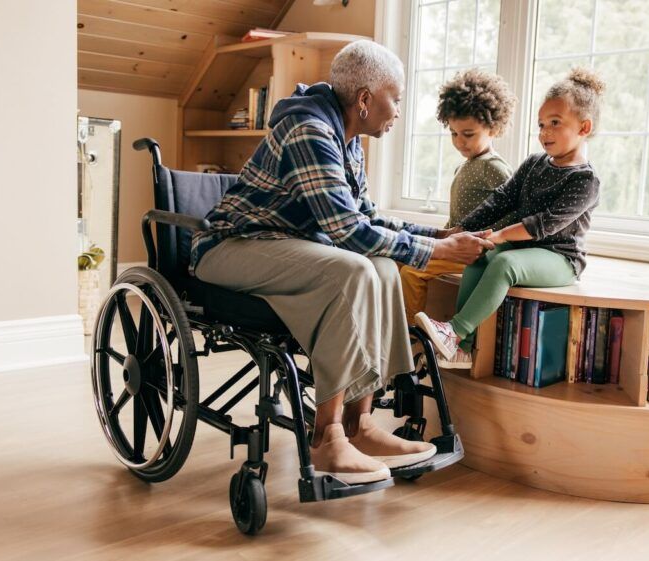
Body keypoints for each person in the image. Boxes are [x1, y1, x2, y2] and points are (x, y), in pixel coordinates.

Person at [191, 40, 494, 484]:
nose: (398, 112)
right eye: (397, 99)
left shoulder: (348, 141)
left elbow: (366, 219)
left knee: (386, 267)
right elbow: (345, 232)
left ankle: (360, 422)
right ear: (366, 100)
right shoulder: (310, 130)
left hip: (285, 246)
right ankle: (327, 436)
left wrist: (437, 236)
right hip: (230, 248)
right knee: (351, 268)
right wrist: (438, 253)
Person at [415, 67, 606, 369]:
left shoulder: (585, 180)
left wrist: (501, 236)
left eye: (555, 123)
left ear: (584, 128)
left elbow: (546, 224)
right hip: (525, 249)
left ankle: (456, 331)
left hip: (560, 258)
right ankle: (461, 349)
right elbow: (501, 199)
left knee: (504, 263)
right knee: (480, 253)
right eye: (541, 124)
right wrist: (463, 229)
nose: (544, 132)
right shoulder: (534, 164)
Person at [399, 69, 518, 346]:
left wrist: (491, 242)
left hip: (476, 252)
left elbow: (515, 210)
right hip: (457, 244)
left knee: (412, 271)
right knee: (401, 261)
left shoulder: (495, 168)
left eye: (468, 134)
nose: (459, 142)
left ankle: (412, 338)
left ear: (494, 128)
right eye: (453, 133)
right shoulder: (466, 165)